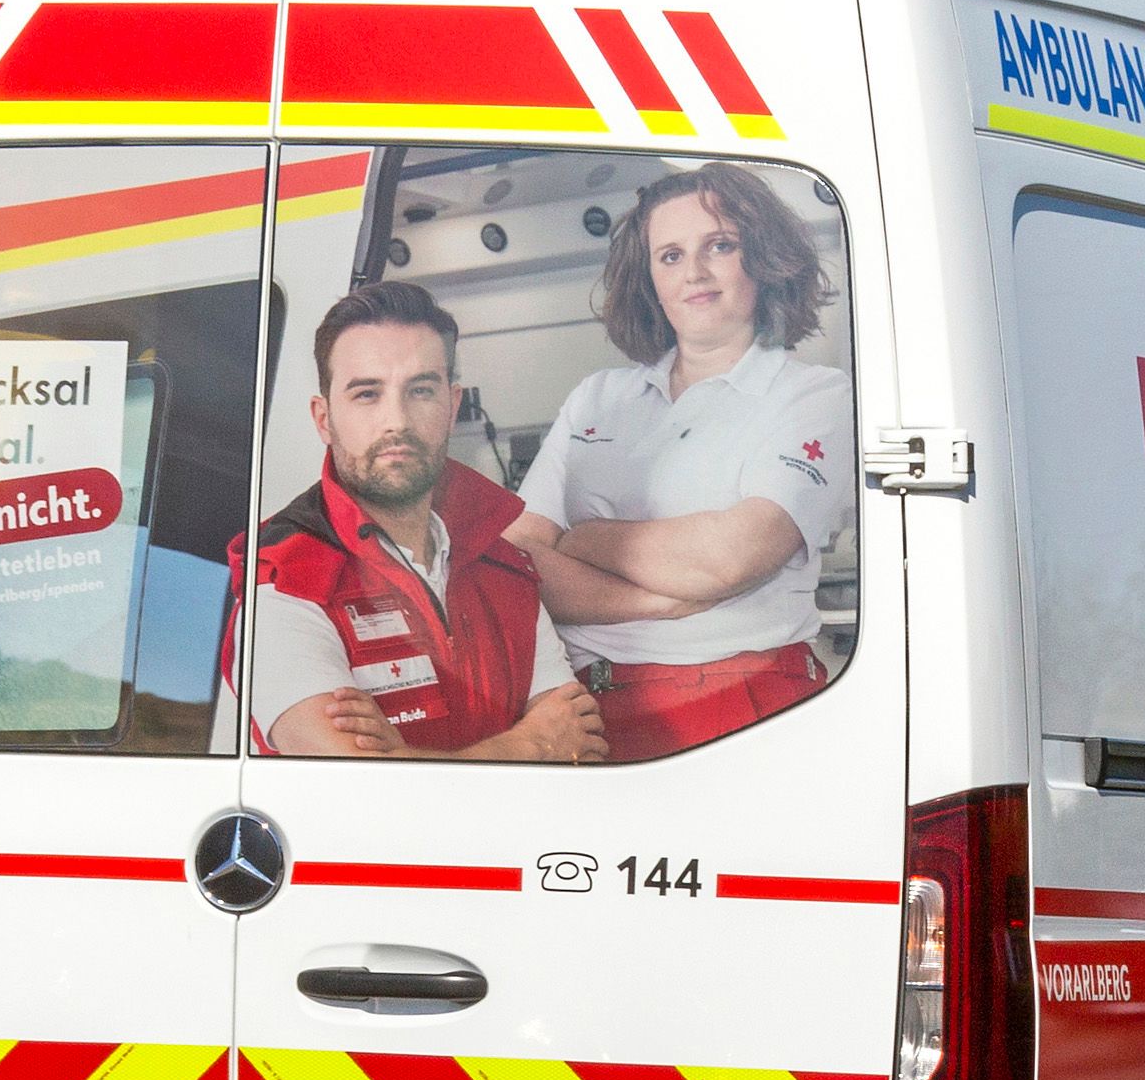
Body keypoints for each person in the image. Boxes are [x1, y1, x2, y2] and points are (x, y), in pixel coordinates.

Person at [507, 163, 855, 762]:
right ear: (649, 280)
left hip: (744, 701)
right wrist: (660, 600)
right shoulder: (597, 398)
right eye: (670, 256)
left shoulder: (813, 394)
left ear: (763, 258)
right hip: (584, 710)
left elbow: (731, 557)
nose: (694, 272)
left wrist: (583, 539)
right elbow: (514, 563)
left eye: (719, 246)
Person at [242, 281, 604, 762]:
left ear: (452, 407)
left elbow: (579, 749)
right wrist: (532, 743)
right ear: (324, 419)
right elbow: (357, 785)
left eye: (420, 390)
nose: (397, 420)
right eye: (367, 394)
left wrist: (409, 759)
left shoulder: (507, 570)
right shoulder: (282, 585)